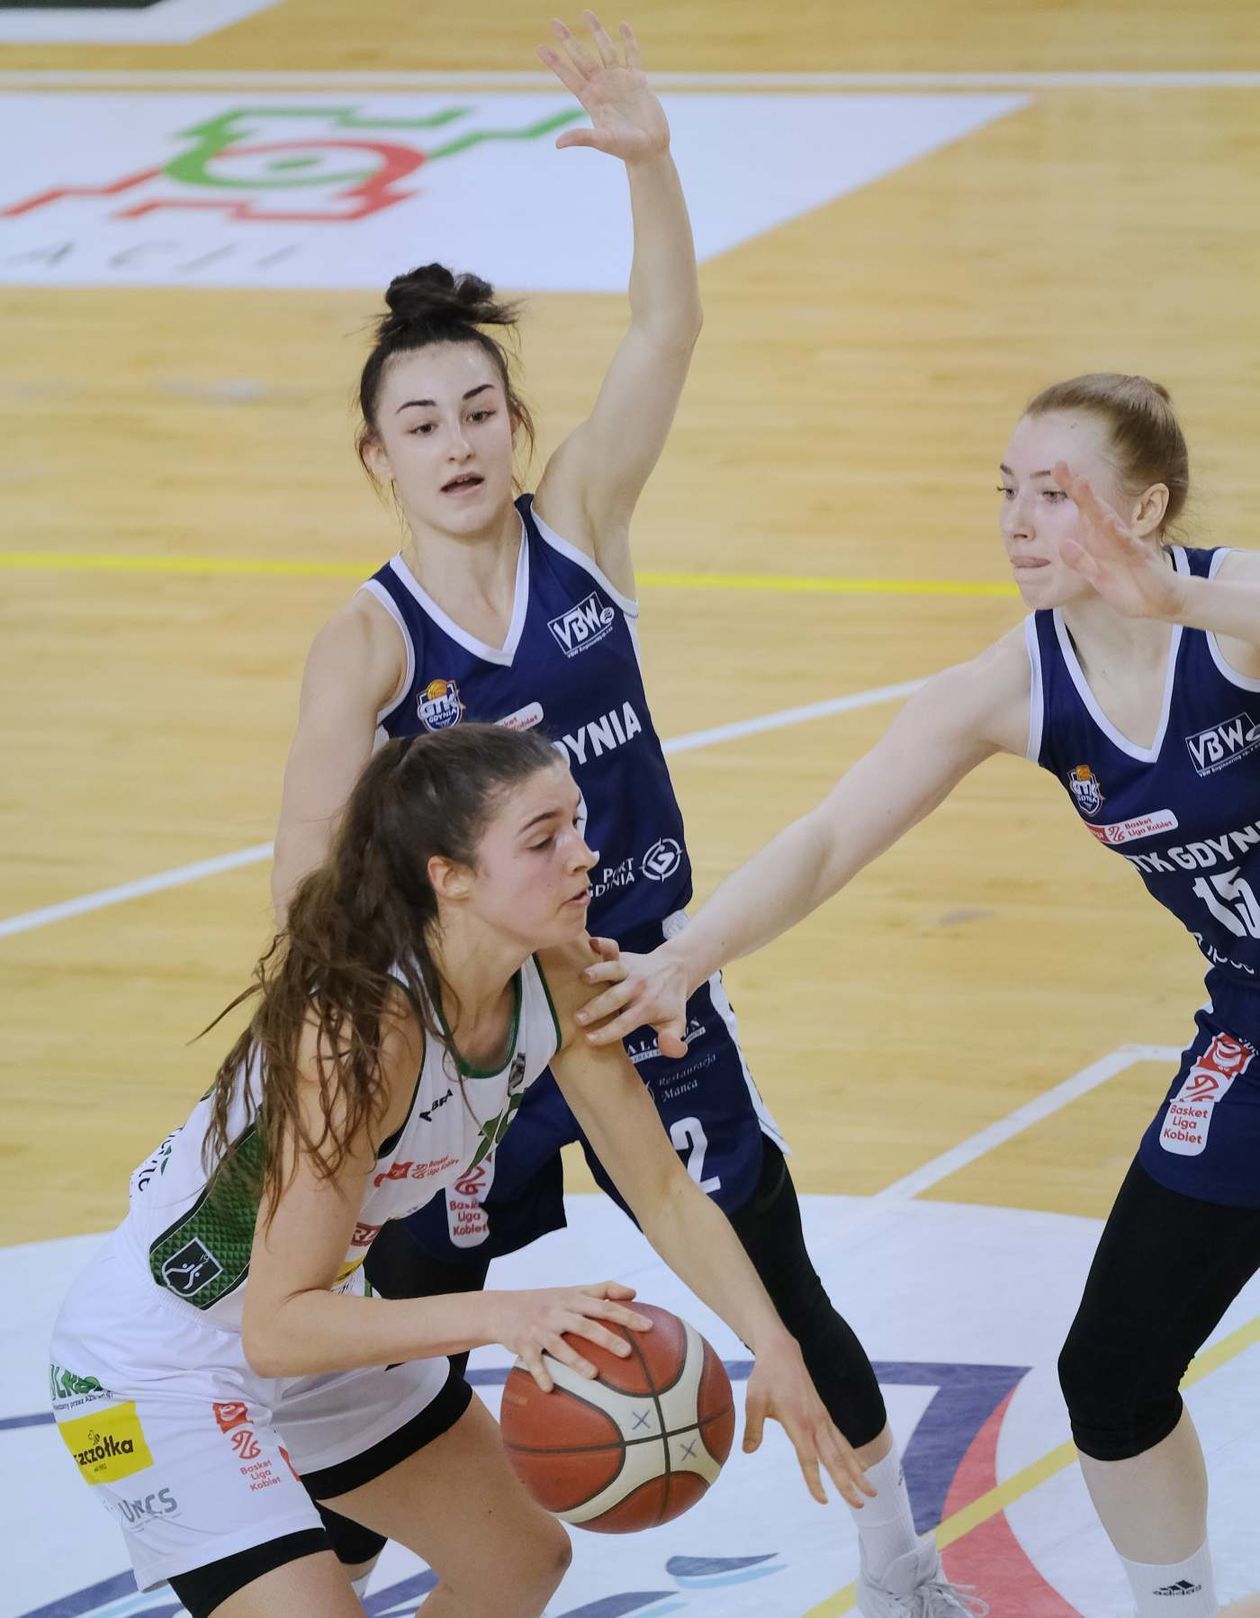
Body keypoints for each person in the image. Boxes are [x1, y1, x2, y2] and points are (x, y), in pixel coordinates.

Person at [272, 14, 974, 1614]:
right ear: (377, 456)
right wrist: (389, 1035)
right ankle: (334, 1568)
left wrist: (651, 163)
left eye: (479, 410)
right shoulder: (367, 642)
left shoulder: (581, 523)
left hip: (638, 982)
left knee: (769, 1262)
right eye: (422, 423)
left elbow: (667, 325)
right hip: (467, 1025)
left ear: (515, 426)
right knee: (412, 1307)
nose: (458, 442)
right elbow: (305, 879)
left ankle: (900, 1563)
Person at [577, 372, 1260, 1617]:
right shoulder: (1016, 684)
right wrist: (687, 955)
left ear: (1148, 508)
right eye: (1008, 492)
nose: (1019, 522)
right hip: (1252, 1025)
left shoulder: (1232, 615)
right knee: (1112, 1376)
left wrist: (1178, 598)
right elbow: (830, 838)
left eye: (1056, 494)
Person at [50, 725, 870, 1618]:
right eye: (543, 839)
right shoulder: (360, 1037)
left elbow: (665, 1191)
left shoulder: (554, 970)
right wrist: (509, 1314)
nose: (584, 855)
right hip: (158, 1363)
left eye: (577, 823)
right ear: (450, 876)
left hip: (309, 1330)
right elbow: (275, 1328)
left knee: (519, 1561)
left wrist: (772, 1343)